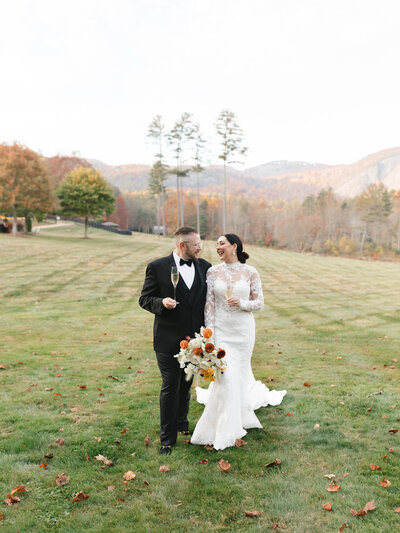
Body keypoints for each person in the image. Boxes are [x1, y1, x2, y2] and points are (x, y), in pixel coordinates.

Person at [190, 234, 287, 450]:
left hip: (243, 332)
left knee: (237, 376)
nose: (218, 247)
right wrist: (210, 335)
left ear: (234, 246)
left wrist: (242, 303)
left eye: (221, 243)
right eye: (216, 244)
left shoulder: (250, 272)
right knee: (226, 375)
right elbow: (210, 305)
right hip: (222, 331)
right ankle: (226, 428)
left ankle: (236, 416)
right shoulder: (212, 272)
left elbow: (259, 303)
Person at [139, 227, 211, 454]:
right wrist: (162, 303)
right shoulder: (157, 267)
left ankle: (182, 423)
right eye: (196, 244)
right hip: (168, 339)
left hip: (195, 340)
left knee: (186, 383)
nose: (200, 247)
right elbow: (145, 298)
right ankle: (167, 439)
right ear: (182, 245)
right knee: (171, 385)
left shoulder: (205, 267)